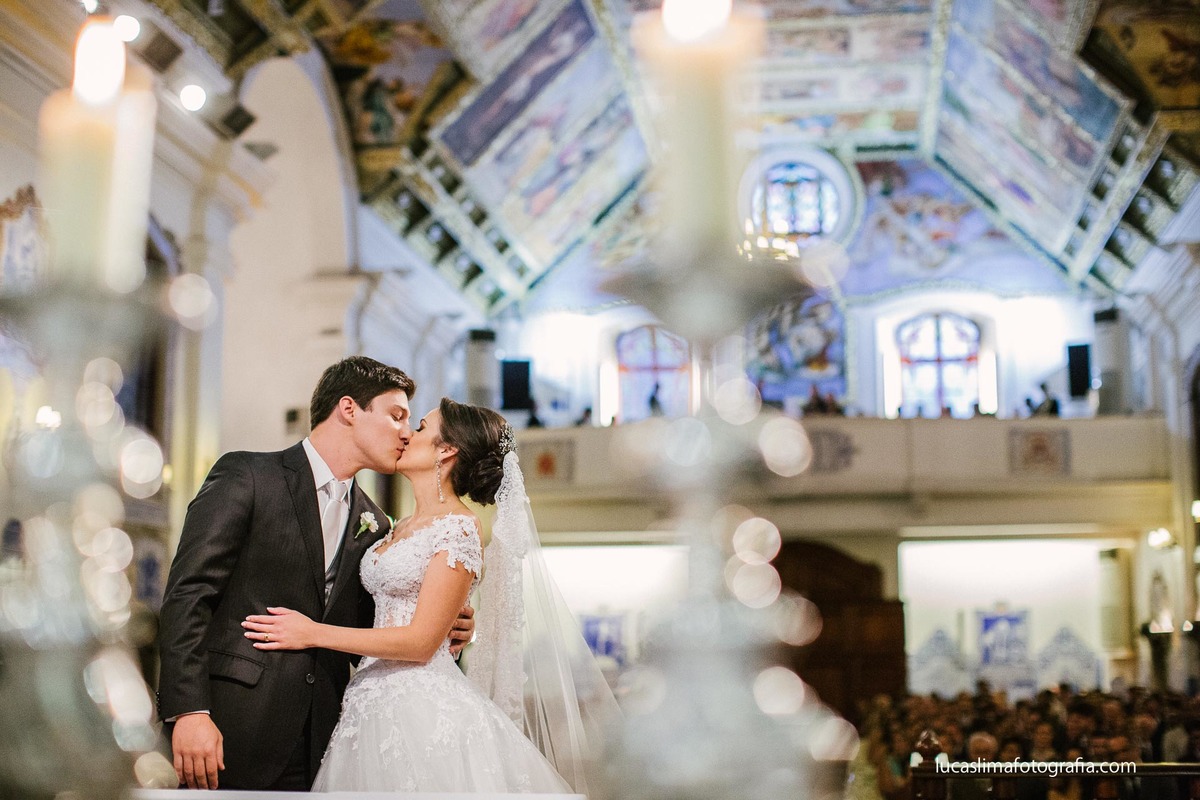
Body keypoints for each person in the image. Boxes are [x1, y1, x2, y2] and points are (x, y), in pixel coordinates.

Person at [242, 398, 617, 793]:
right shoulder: (393, 526)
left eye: (420, 427)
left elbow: (421, 643)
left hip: (420, 705)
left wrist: (313, 633)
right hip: (367, 702)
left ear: (446, 450)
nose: (407, 434)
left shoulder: (458, 528)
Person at [157, 357, 476, 791]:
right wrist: (190, 711)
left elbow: (371, 628)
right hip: (229, 727)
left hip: (324, 743)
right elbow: (188, 594)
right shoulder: (249, 476)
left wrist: (445, 620)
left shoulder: (375, 525)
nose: (405, 432)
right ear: (349, 409)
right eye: (396, 416)